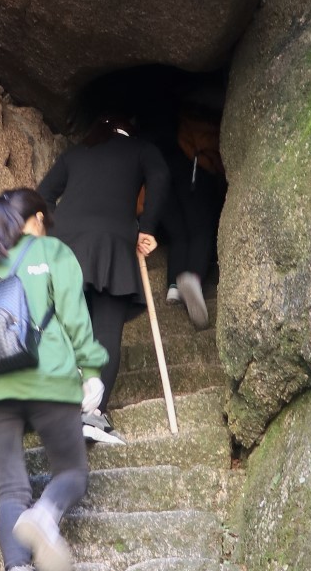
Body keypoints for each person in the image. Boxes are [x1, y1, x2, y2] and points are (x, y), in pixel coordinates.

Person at [0, 188, 106, 571]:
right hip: (48, 379)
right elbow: (75, 315)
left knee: (10, 489)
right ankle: (46, 514)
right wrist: (91, 370)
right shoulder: (51, 252)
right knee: (73, 472)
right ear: (33, 220)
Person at [38, 116, 169, 443]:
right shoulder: (141, 148)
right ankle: (92, 413)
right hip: (113, 243)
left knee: (66, 326)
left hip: (65, 246)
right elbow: (162, 175)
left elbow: (41, 195)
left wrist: (56, 234)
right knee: (106, 328)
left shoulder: (76, 153)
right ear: (131, 128)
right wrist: (148, 228)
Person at [159, 103, 225, 331]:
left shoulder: (164, 128)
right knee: (203, 228)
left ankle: (173, 286)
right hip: (195, 171)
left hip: (163, 177)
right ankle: (193, 277)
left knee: (179, 232)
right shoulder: (202, 116)